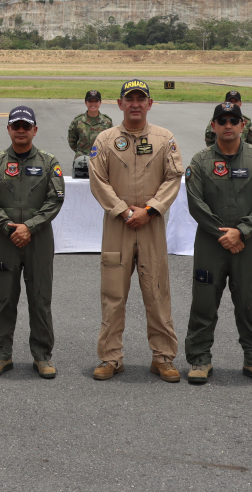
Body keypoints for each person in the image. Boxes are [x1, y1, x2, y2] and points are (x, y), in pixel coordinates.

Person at [88, 80, 185, 382]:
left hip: (151, 225)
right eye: (129, 98)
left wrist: (151, 209)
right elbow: (98, 180)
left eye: (140, 99)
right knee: (113, 296)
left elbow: (174, 177)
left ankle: (163, 357)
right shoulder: (104, 140)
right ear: (119, 104)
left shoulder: (164, 138)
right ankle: (110, 358)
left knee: (157, 294)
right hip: (118, 226)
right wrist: (123, 210)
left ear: (150, 103)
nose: (135, 104)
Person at [183, 102, 252, 386]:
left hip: (246, 244)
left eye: (233, 120)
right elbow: (195, 203)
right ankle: (200, 359)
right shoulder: (200, 161)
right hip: (210, 244)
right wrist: (223, 234)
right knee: (203, 302)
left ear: (243, 125)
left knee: (251, 302)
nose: (228, 125)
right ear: (213, 126)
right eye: (222, 120)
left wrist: (242, 231)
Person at [0, 106, 65, 379]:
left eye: (26, 126)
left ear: (35, 130)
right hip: (5, 240)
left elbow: (55, 199)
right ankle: (1, 355)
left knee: (40, 299)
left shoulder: (50, 162)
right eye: (15, 126)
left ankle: (42, 356)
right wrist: (9, 228)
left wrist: (29, 227)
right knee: (4, 298)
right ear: (8, 130)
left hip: (38, 239)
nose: (20, 130)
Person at [68, 90, 113, 157]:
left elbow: (111, 141)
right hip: (82, 160)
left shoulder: (107, 122)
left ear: (100, 102)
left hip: (100, 159)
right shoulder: (78, 121)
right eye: (90, 101)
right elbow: (72, 140)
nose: (93, 104)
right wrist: (80, 152)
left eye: (96, 101)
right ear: (86, 102)